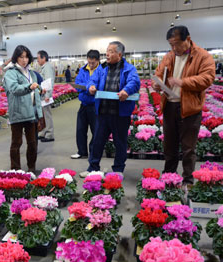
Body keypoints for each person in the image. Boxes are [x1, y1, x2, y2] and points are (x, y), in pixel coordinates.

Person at [153, 26, 215, 186]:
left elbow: (207, 78)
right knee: (169, 146)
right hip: (169, 106)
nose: (174, 48)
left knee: (188, 148)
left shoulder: (203, 56)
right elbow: (159, 73)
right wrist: (157, 83)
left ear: (188, 39)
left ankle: (188, 180)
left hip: (190, 108)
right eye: (171, 45)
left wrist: (183, 82)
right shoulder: (169, 56)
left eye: (177, 44)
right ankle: (169, 177)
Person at [80, 41, 140, 178]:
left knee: (120, 142)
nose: (107, 54)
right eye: (107, 51)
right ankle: (92, 167)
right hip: (103, 112)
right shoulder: (102, 68)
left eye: (111, 51)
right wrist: (91, 86)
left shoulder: (129, 69)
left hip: (120, 113)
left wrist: (126, 90)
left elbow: (134, 82)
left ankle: (118, 169)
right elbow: (92, 80)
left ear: (119, 54)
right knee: (97, 141)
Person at [3, 45, 44, 173]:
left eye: (26, 57)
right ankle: (15, 169)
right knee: (16, 143)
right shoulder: (10, 73)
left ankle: (32, 168)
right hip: (18, 112)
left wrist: (41, 90)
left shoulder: (32, 73)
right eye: (21, 57)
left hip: (31, 113)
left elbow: (35, 92)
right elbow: (14, 89)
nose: (24, 60)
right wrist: (29, 87)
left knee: (32, 143)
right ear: (16, 58)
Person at [71, 50, 101, 159]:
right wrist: (89, 89)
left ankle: (93, 152)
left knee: (96, 130)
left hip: (95, 105)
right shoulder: (83, 70)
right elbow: (78, 84)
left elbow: (100, 86)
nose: (91, 65)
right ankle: (82, 152)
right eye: (89, 62)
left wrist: (88, 88)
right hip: (83, 104)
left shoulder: (102, 70)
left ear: (98, 60)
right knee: (80, 129)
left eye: (93, 63)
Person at [37, 50, 55, 142]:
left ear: (44, 58)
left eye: (38, 58)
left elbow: (49, 81)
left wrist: (48, 95)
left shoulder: (47, 67)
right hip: (43, 95)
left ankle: (49, 134)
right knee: (43, 115)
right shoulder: (44, 67)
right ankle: (43, 132)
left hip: (46, 95)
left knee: (47, 115)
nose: (37, 60)